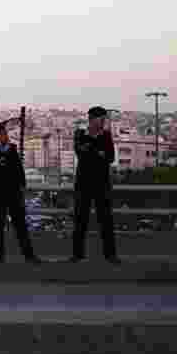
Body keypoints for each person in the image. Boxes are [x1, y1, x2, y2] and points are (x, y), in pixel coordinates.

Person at [0, 122, 42, 264]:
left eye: (6, 134)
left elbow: (19, 170)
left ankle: (29, 255)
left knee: (20, 225)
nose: (6, 137)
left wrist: (22, 186)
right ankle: (0, 256)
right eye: (3, 134)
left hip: (14, 193)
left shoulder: (12, 149)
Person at [70, 106, 120, 264]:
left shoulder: (106, 135)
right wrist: (98, 152)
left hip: (102, 184)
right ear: (92, 119)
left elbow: (110, 157)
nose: (104, 121)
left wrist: (92, 150)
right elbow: (80, 153)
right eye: (101, 118)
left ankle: (110, 255)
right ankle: (77, 255)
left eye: (104, 119)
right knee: (80, 220)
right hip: (83, 183)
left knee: (106, 220)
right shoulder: (80, 134)